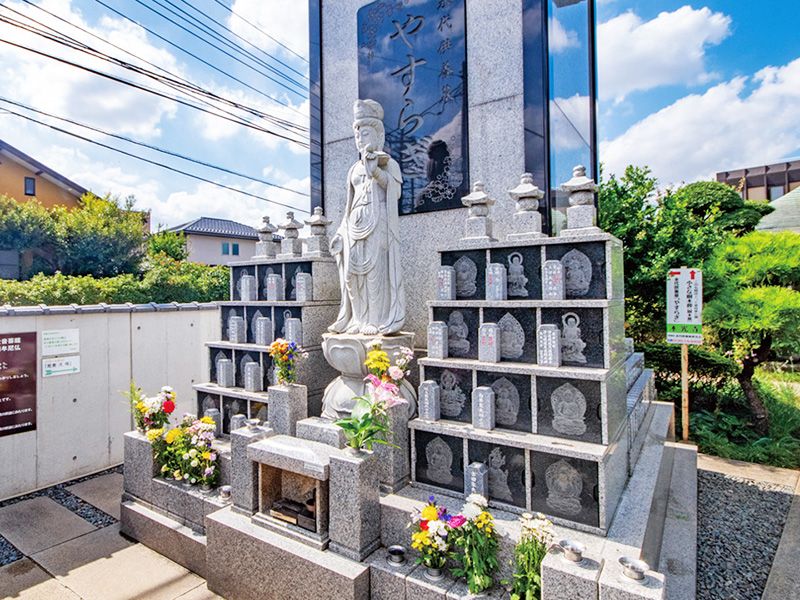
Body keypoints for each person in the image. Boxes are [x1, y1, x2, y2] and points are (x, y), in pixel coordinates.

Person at [329, 99, 406, 335]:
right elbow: (348, 205)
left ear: (378, 134)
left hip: (378, 220)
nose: (360, 140)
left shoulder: (389, 164)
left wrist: (377, 173)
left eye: (365, 134)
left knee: (374, 273)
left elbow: (396, 192)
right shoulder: (354, 169)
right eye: (357, 135)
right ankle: (357, 319)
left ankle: (374, 319)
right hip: (355, 223)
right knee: (352, 274)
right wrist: (340, 232)